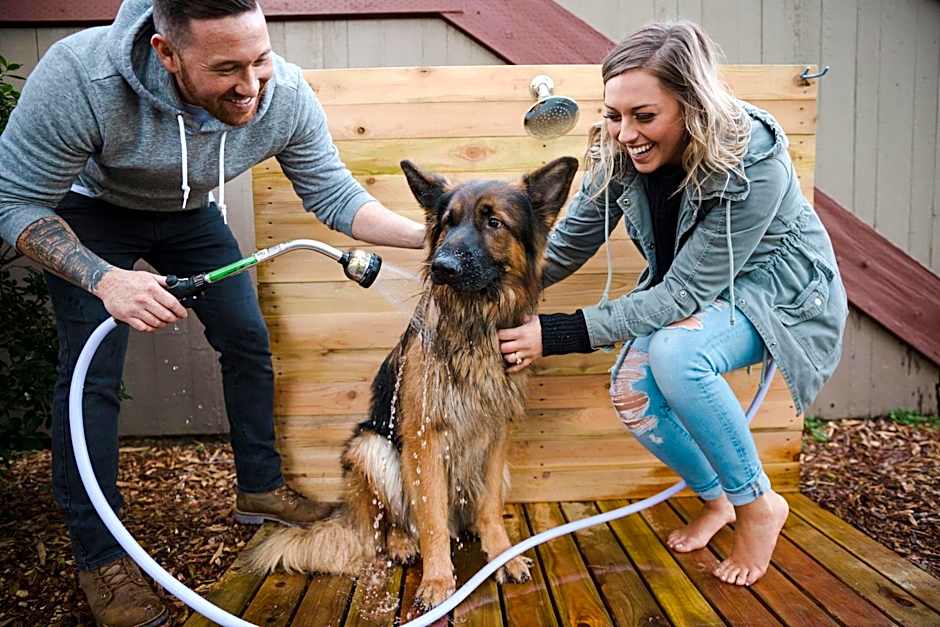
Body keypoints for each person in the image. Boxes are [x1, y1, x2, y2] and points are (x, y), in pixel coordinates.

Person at [0, 0, 424, 624]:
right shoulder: (80, 78)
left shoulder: (283, 94)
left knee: (246, 338)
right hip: (88, 216)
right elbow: (14, 204)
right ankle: (100, 557)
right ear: (165, 53)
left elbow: (335, 196)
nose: (250, 87)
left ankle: (260, 487)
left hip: (189, 214)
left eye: (261, 60)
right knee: (92, 375)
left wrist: (437, 234)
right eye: (227, 69)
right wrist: (103, 278)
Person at [498, 20, 847, 587]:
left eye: (644, 116)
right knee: (632, 391)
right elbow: (568, 244)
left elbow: (684, 294)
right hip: (692, 285)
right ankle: (719, 498)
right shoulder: (617, 150)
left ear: (692, 107)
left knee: (678, 355)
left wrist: (555, 334)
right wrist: (500, 287)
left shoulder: (751, 161)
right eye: (613, 115)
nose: (624, 133)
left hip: (775, 292)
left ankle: (758, 503)